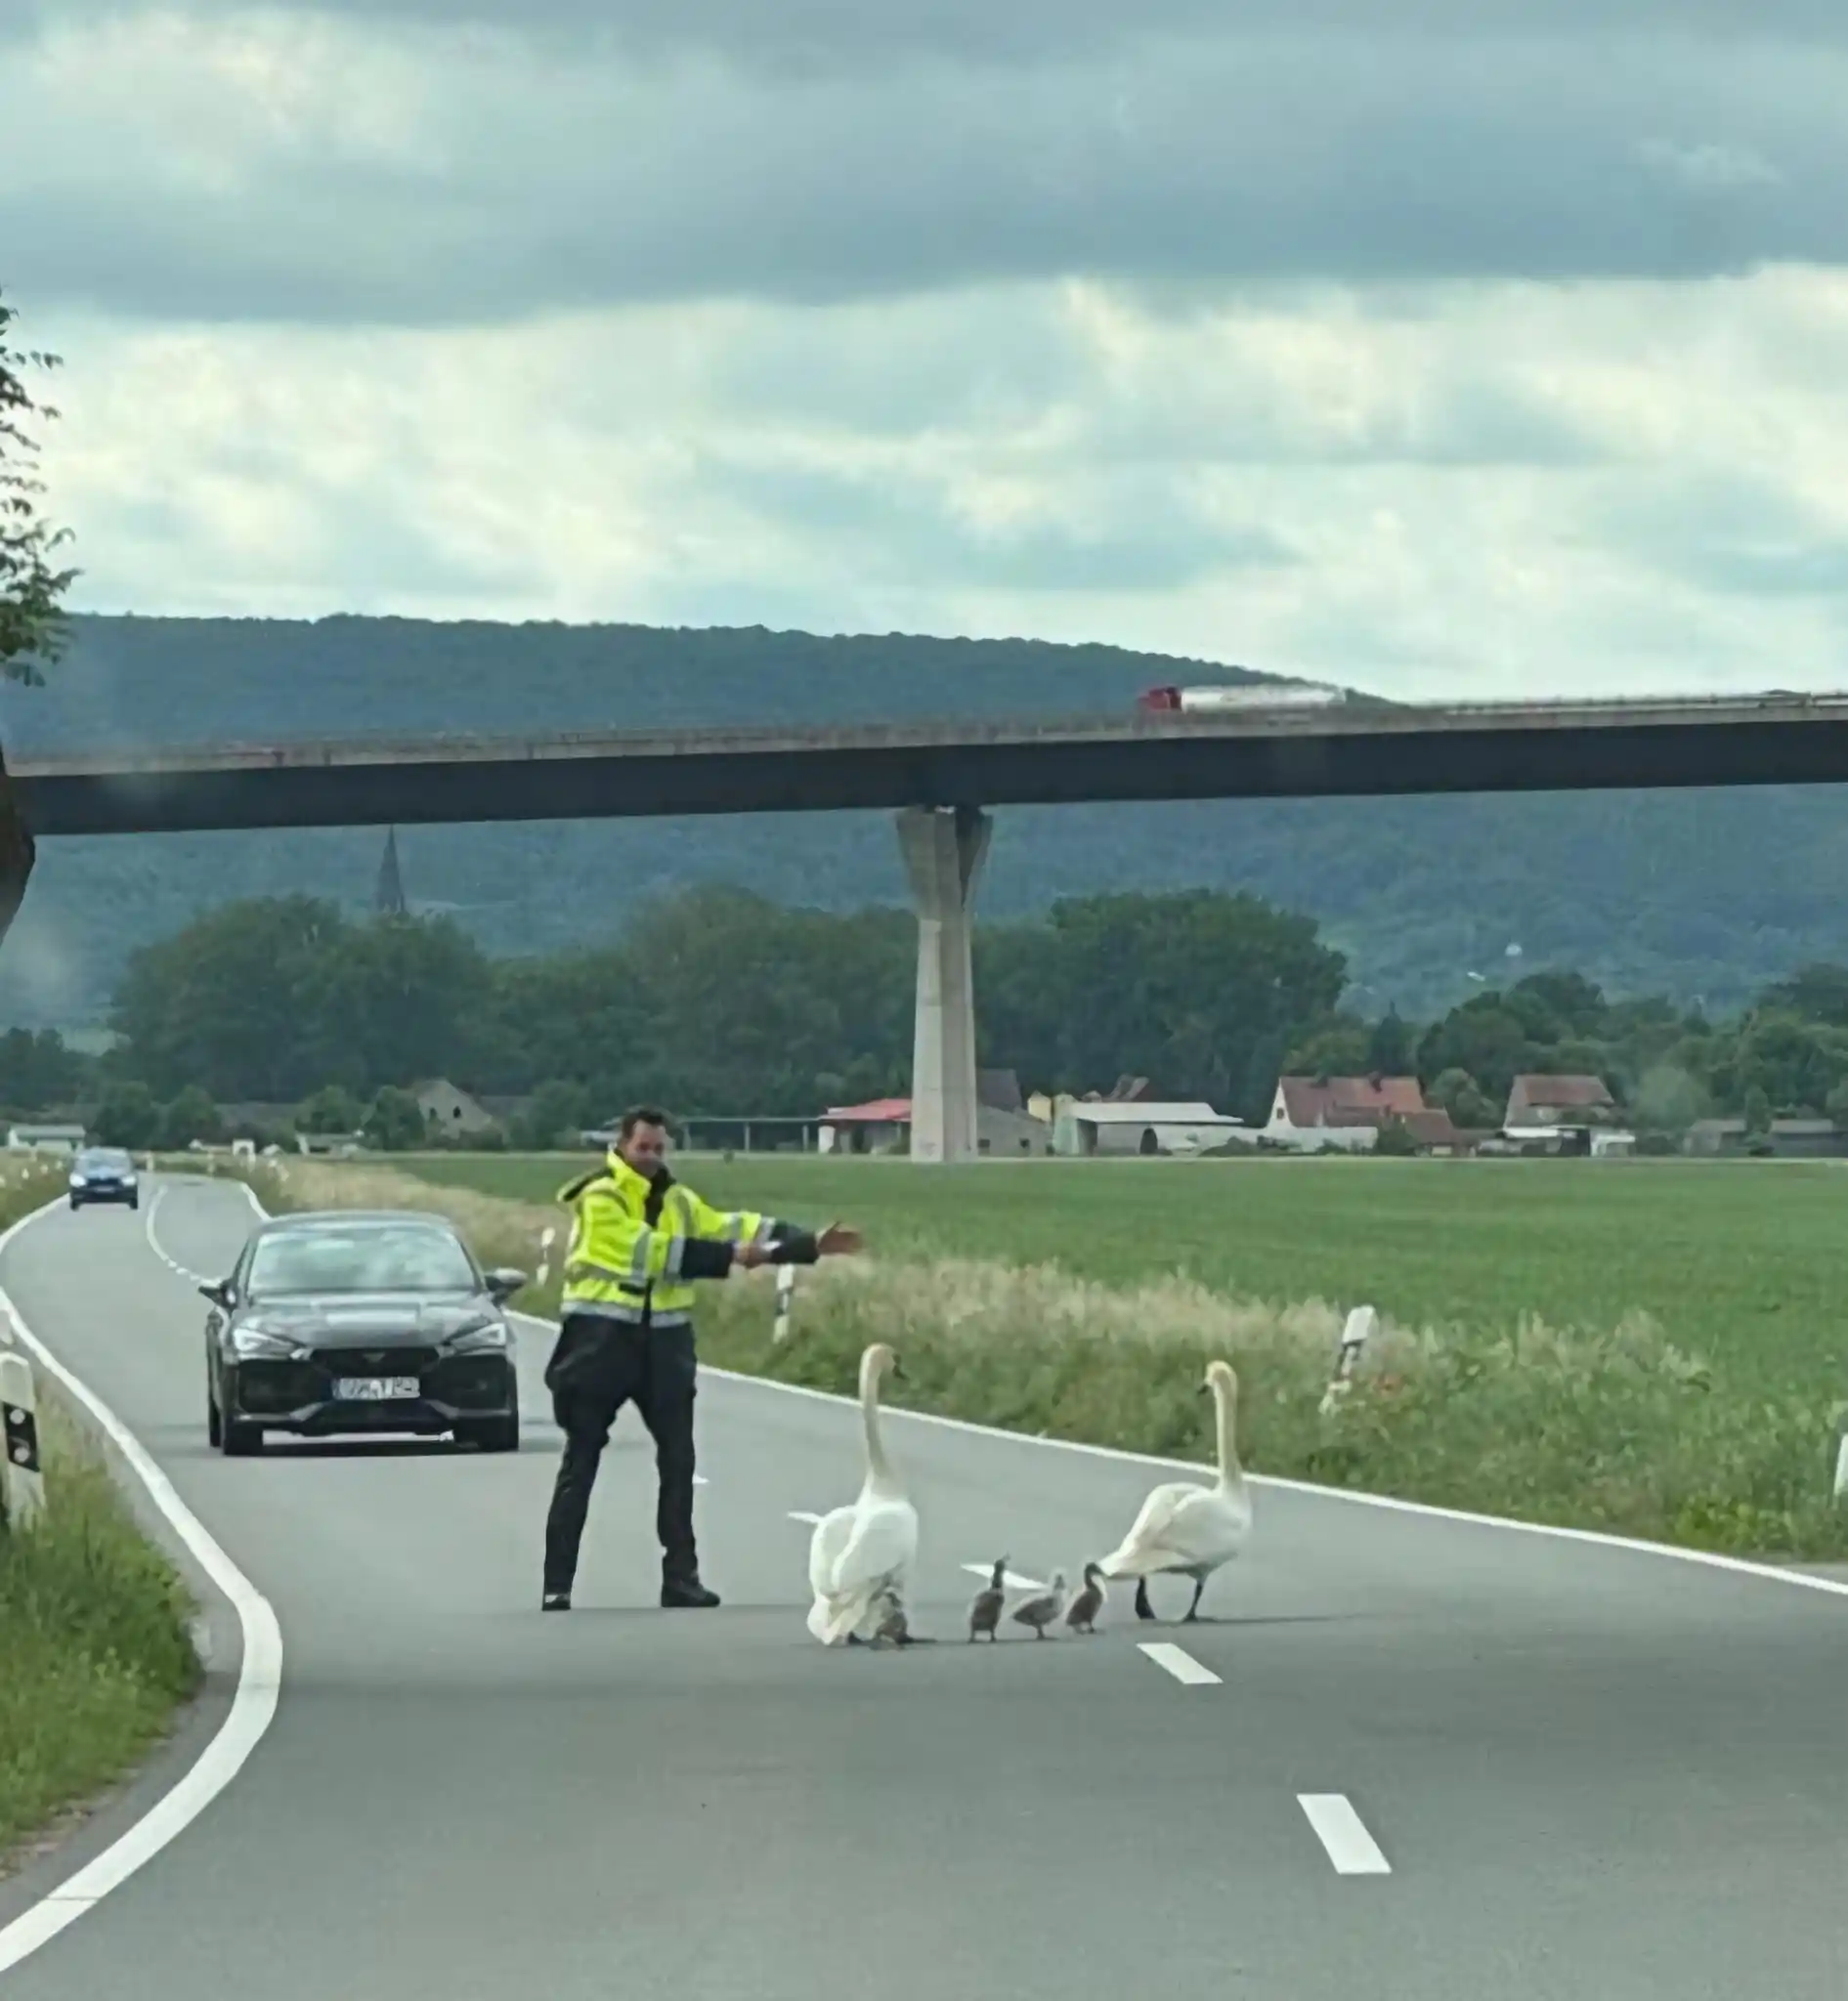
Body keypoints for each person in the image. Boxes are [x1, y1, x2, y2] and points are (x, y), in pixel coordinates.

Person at [540, 1106, 861, 1611]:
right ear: (622, 1145)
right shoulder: (599, 1198)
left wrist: (805, 1243)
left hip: (664, 1345)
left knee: (678, 1461)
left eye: (659, 1149)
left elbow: (732, 1226)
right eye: (642, 1147)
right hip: (600, 1344)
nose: (650, 1157)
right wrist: (732, 1256)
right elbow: (652, 1252)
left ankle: (681, 1579)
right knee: (581, 1461)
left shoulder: (679, 1200)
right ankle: (556, 1584)